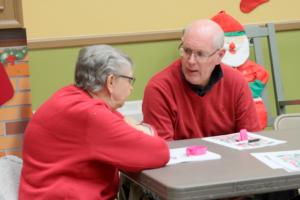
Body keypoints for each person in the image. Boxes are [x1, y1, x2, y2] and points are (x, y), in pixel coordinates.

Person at [19, 45, 170, 200]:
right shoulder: (91, 116)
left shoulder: (71, 97)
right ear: (111, 81)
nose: (131, 88)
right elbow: (159, 152)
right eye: (130, 80)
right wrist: (143, 129)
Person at [142, 19, 261, 141]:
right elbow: (162, 149)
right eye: (187, 51)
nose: (191, 61)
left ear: (219, 56)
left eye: (200, 54)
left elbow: (252, 139)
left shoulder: (236, 82)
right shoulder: (159, 88)